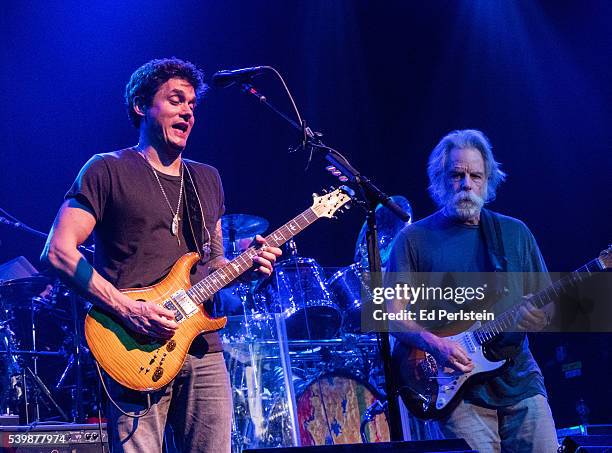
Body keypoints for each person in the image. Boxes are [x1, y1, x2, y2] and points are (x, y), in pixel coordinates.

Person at [41, 57, 281, 453]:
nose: (187, 111)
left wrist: (248, 269)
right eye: (175, 100)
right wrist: (128, 309)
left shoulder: (207, 178)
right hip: (132, 344)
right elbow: (59, 251)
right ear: (140, 106)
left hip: (204, 347)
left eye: (192, 104)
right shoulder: (107, 170)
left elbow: (213, 263)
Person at [386, 129, 558, 452]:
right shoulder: (413, 240)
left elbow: (548, 308)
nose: (467, 184)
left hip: (521, 384)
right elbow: (392, 317)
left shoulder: (515, 233)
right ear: (440, 178)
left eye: (476, 176)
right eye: (457, 174)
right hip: (459, 396)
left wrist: (540, 317)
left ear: (488, 180)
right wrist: (434, 344)